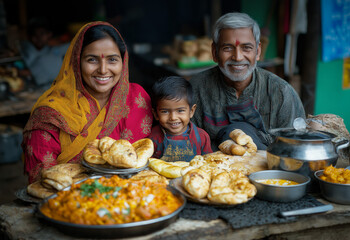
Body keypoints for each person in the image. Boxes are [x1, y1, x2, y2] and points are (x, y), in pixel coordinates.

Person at [22, 22, 153, 183]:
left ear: (123, 62)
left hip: (134, 198)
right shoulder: (50, 114)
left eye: (112, 60)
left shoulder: (136, 98)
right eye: (92, 60)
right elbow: (43, 181)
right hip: (73, 202)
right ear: (76, 61)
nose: (103, 69)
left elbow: (151, 162)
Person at [190, 12, 306, 151]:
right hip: (209, 169)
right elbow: (184, 142)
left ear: (257, 52)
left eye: (246, 48)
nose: (238, 57)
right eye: (227, 48)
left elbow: (295, 149)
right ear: (214, 52)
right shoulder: (196, 88)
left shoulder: (281, 92)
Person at [149, 76, 212, 162]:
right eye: (165, 111)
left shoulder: (202, 137)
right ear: (156, 114)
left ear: (191, 111)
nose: (173, 118)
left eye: (180, 111)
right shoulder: (152, 138)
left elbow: (209, 163)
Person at [20, 17, 70, 88]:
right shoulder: (28, 51)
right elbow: (28, 72)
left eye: (43, 33)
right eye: (42, 34)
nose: (35, 39)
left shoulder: (55, 49)